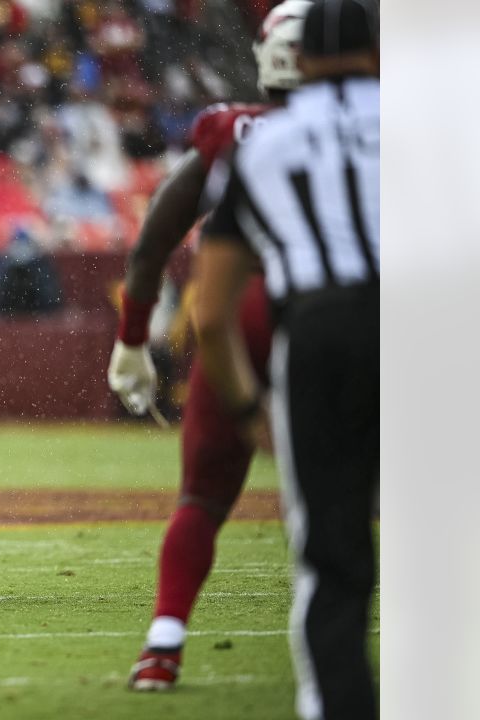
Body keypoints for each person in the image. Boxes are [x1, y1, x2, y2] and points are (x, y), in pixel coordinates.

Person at [108, 0, 314, 691]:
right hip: (340, 314)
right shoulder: (378, 128)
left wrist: (132, 338)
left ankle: (162, 644)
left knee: (202, 494)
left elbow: (155, 239)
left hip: (244, 309)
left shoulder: (234, 129)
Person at [192, 2, 378, 717]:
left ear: (294, 61)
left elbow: (211, 311)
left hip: (322, 332)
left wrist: (246, 406)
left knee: (331, 559)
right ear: (376, 54)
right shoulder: (435, 124)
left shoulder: (266, 143)